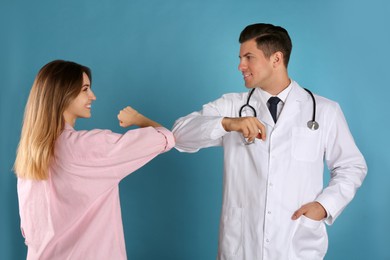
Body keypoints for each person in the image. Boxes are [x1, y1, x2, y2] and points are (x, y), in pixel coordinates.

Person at [172, 23, 367, 259]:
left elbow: (351, 166)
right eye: (240, 57)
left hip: (296, 243)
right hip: (242, 245)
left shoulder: (324, 111)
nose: (240, 65)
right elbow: (179, 135)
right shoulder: (232, 106)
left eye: (249, 57)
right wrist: (227, 123)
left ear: (276, 59)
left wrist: (324, 207)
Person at [14, 60, 175, 260]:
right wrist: (138, 119)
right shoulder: (87, 146)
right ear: (63, 93)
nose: (93, 96)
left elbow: (31, 232)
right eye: (85, 89)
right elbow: (165, 138)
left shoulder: (29, 156)